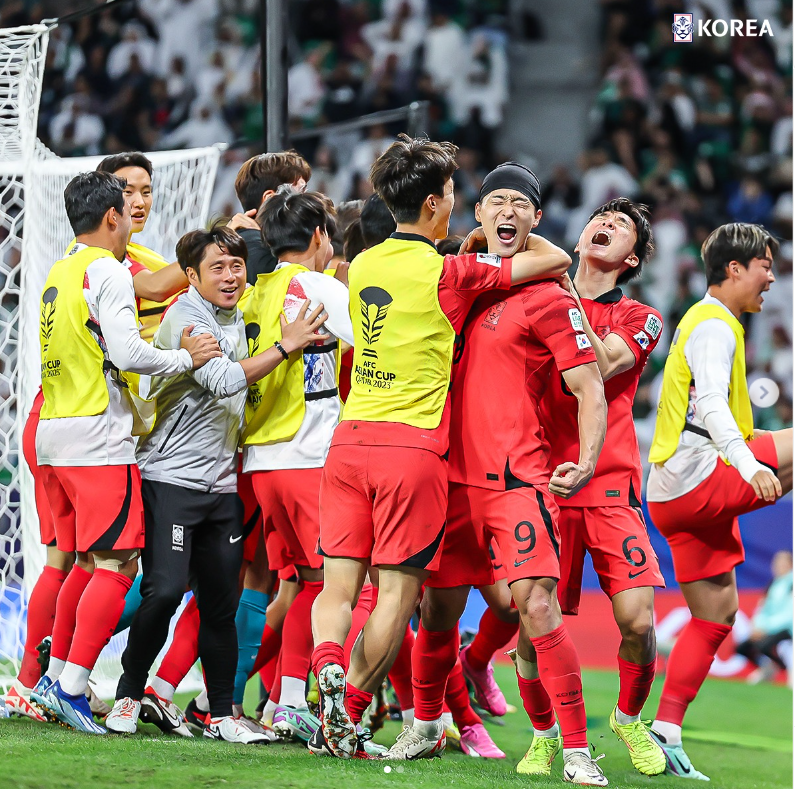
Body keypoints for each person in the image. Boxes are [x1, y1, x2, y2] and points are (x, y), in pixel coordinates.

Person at [308, 137, 573, 760]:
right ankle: (349, 707)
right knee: (398, 596)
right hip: (412, 451)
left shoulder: (367, 262)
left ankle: (325, 662)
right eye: (454, 195)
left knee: (339, 587)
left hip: (348, 442)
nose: (459, 206)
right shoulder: (451, 272)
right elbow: (554, 260)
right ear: (434, 203)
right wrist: (484, 247)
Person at [405, 163, 609, 786]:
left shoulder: (549, 296)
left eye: (520, 204)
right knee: (437, 614)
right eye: (496, 200)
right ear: (478, 213)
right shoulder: (455, 287)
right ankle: (423, 725)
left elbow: (589, 386)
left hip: (518, 479)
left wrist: (589, 458)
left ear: (536, 219)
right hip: (448, 479)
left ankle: (574, 749)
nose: (507, 211)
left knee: (537, 606)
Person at [106, 224, 328, 743]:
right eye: (217, 268)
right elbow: (226, 379)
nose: (231, 277)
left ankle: (223, 712)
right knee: (162, 592)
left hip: (222, 486)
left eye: (236, 266)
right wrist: (287, 345)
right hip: (171, 480)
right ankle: (127, 696)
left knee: (221, 602)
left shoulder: (239, 314)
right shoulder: (188, 318)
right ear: (191, 276)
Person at [32, 172, 220, 734]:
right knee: (117, 564)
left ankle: (51, 679)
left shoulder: (59, 270)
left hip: (55, 434)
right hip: (96, 438)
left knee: (84, 566)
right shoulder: (108, 269)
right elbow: (129, 351)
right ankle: (69, 687)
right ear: (112, 216)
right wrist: (187, 358)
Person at [524, 198, 666, 778]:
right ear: (580, 236)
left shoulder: (641, 317)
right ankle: (545, 734)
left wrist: (557, 292)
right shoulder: (532, 298)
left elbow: (601, 365)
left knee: (639, 621)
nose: (605, 225)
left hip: (608, 486)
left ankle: (629, 719)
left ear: (629, 257)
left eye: (622, 226)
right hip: (544, 484)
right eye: (599, 219)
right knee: (534, 627)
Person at [646, 222, 793, 780]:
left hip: (673, 489)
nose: (771, 279)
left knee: (717, 614)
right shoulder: (714, 325)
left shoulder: (712, 321)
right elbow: (709, 402)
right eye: (764, 267)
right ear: (735, 268)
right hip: (697, 476)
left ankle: (665, 731)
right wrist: (750, 462)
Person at [239, 190, 355, 744]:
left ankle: (285, 702)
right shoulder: (319, 287)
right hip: (308, 457)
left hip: (262, 461)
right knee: (326, 583)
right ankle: (288, 702)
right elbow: (376, 339)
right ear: (317, 237)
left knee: (302, 581)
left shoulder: (256, 290)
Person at [230, 151, 312, 283]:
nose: (308, 201)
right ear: (270, 198)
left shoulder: (261, 241)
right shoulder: (250, 245)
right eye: (301, 191)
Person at [735, 550, 793, 684]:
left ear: (790, 564)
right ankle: (768, 667)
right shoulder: (773, 584)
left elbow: (789, 614)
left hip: (787, 628)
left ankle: (781, 667)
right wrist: (758, 626)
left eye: (782, 563)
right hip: (769, 627)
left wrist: (767, 629)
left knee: (763, 646)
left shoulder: (791, 583)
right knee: (742, 648)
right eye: (776, 563)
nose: (778, 566)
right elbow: (763, 609)